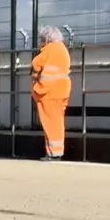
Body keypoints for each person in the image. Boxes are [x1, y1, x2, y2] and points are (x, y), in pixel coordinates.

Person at [30, 25, 72, 161]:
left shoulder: (48, 51)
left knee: (49, 122)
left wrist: (36, 86)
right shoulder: (63, 50)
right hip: (63, 90)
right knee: (58, 122)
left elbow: (35, 65)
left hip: (49, 92)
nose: (41, 42)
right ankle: (57, 151)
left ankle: (52, 153)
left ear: (46, 39)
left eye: (42, 39)